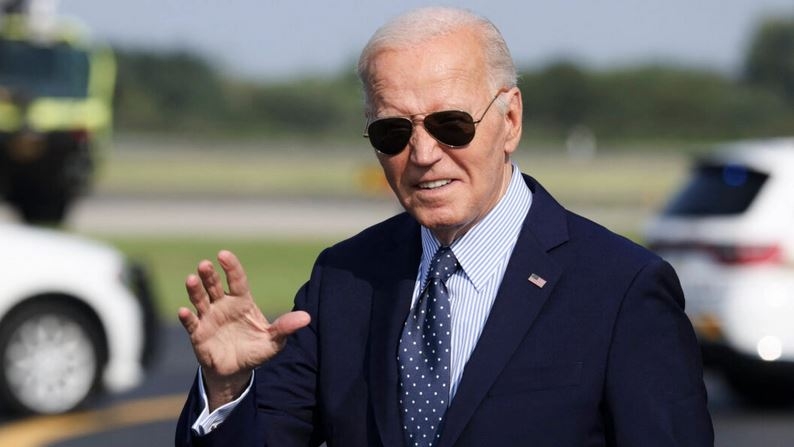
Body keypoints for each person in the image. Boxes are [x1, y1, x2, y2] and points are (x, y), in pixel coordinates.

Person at [175, 6, 713, 446]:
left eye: (450, 124)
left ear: (511, 121)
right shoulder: (343, 278)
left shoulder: (622, 288)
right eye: (393, 132)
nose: (424, 154)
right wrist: (227, 387)